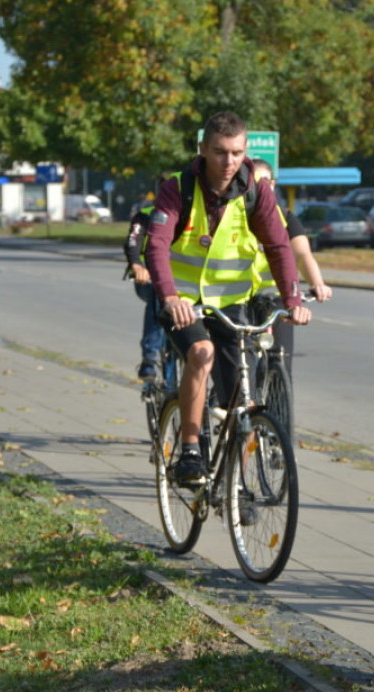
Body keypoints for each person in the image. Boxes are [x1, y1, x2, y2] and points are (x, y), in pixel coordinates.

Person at [144, 111, 311, 487]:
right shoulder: (179, 188)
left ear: (245, 150)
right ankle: (189, 449)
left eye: (236, 152)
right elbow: (156, 244)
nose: (229, 161)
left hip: (233, 303)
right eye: (220, 152)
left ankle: (236, 484)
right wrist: (169, 296)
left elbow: (278, 246)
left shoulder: (256, 190)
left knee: (243, 393)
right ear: (203, 149)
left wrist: (293, 299)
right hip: (183, 301)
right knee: (200, 354)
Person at [249, 158, 332, 374]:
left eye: (266, 181)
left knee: (281, 363)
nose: (261, 187)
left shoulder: (284, 217)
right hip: (239, 296)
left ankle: (280, 404)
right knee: (240, 365)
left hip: (275, 296)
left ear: (274, 184)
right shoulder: (235, 216)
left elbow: (302, 254)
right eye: (254, 181)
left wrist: (318, 283)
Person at [124, 197, 168, 381]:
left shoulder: (192, 215)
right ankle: (149, 359)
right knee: (160, 296)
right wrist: (136, 265)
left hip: (182, 281)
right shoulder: (145, 216)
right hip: (148, 280)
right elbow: (133, 241)